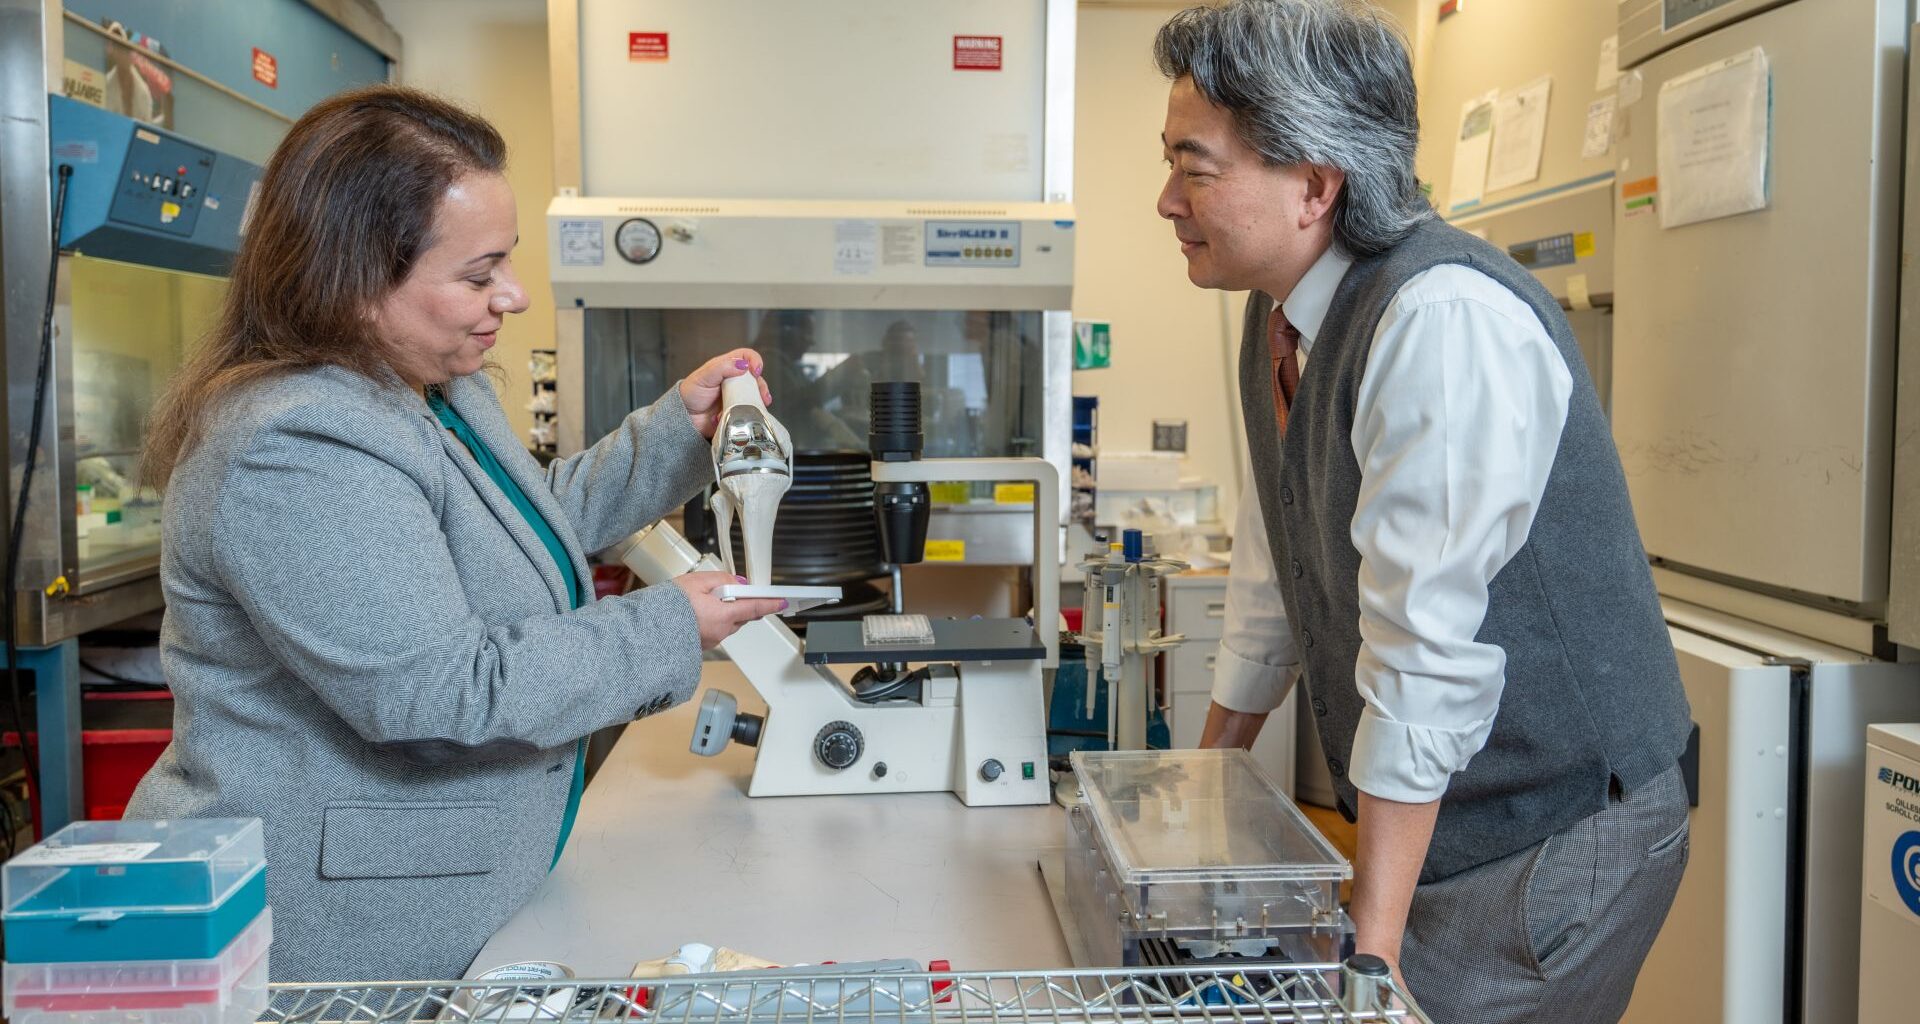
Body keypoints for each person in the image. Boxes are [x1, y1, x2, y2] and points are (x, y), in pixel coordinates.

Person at [126, 86, 785, 983]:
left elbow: (518, 527)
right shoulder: (295, 444)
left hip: (457, 895)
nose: (511, 297)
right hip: (338, 945)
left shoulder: (426, 389)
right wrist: (669, 625)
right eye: (479, 275)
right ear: (352, 278)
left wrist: (679, 428)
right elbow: (439, 695)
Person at [1153, 3, 1692, 1021]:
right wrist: (1205, 783)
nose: (1165, 200)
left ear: (1315, 183)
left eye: (1196, 167)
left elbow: (1424, 654)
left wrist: (1375, 949)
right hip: (1438, 812)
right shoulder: (1276, 314)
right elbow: (1280, 558)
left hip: (1552, 828)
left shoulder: (1440, 323)